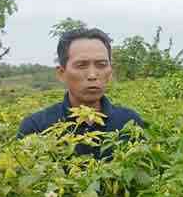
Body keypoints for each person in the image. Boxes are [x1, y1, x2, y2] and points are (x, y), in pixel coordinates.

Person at [17, 28, 145, 157]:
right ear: (62, 73)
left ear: (110, 72)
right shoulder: (36, 126)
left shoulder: (129, 122)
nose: (92, 75)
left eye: (101, 64)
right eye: (81, 65)